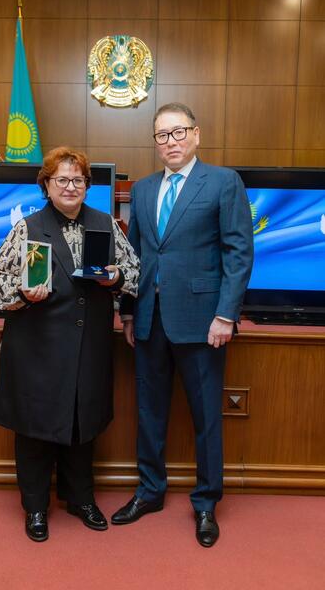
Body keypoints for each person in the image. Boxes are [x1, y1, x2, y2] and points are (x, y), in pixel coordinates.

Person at [111, 103, 254, 547]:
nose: (170, 141)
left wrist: (226, 314)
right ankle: (150, 491)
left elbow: (238, 253)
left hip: (203, 321)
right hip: (149, 320)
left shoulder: (224, 182)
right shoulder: (144, 189)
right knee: (149, 412)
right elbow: (134, 255)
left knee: (206, 416)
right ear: (155, 142)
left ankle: (206, 503)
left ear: (196, 134)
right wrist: (128, 311)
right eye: (162, 135)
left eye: (178, 132)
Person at [0, 147, 139, 542]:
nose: (70, 186)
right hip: (36, 347)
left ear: (87, 186)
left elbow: (135, 272)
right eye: (62, 180)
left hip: (89, 346)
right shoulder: (27, 227)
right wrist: (23, 293)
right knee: (34, 428)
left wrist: (115, 278)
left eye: (78, 180)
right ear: (47, 185)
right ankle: (36, 507)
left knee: (82, 423)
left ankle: (80, 499)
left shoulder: (106, 224)